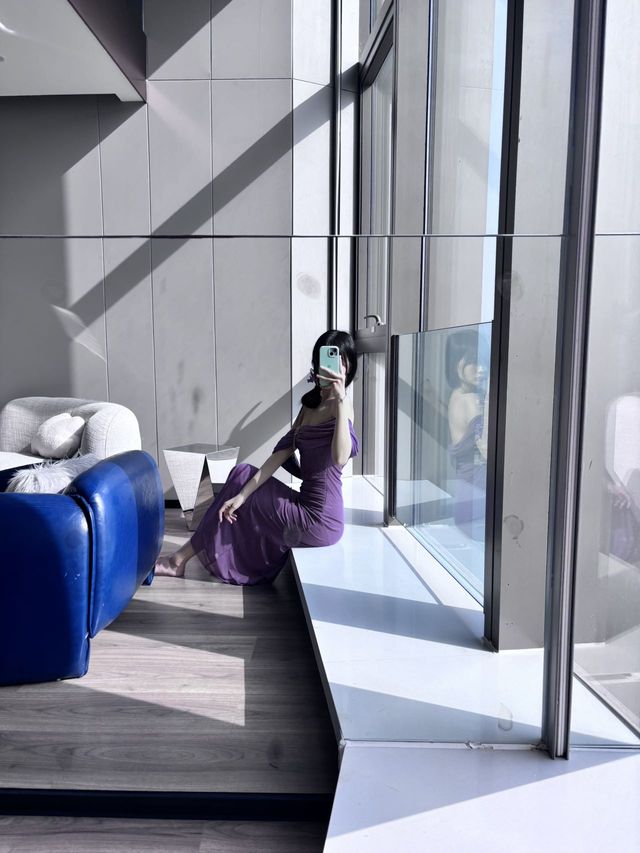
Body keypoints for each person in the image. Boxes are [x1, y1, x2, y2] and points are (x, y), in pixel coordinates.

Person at [155, 330, 359, 583]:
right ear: (317, 365)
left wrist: (340, 399)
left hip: (322, 519)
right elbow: (278, 456)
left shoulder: (344, 407)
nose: (334, 369)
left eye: (340, 362)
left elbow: (340, 457)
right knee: (242, 474)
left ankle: (178, 560)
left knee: (241, 485)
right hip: (304, 502)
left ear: (349, 368)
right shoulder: (309, 406)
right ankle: (182, 559)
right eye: (327, 360)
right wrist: (241, 496)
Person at [445, 330, 489, 540]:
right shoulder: (471, 401)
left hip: (466, 498)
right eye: (473, 362)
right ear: (456, 364)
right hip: (479, 502)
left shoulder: (456, 395)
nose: (482, 369)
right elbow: (488, 450)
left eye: (483, 361)